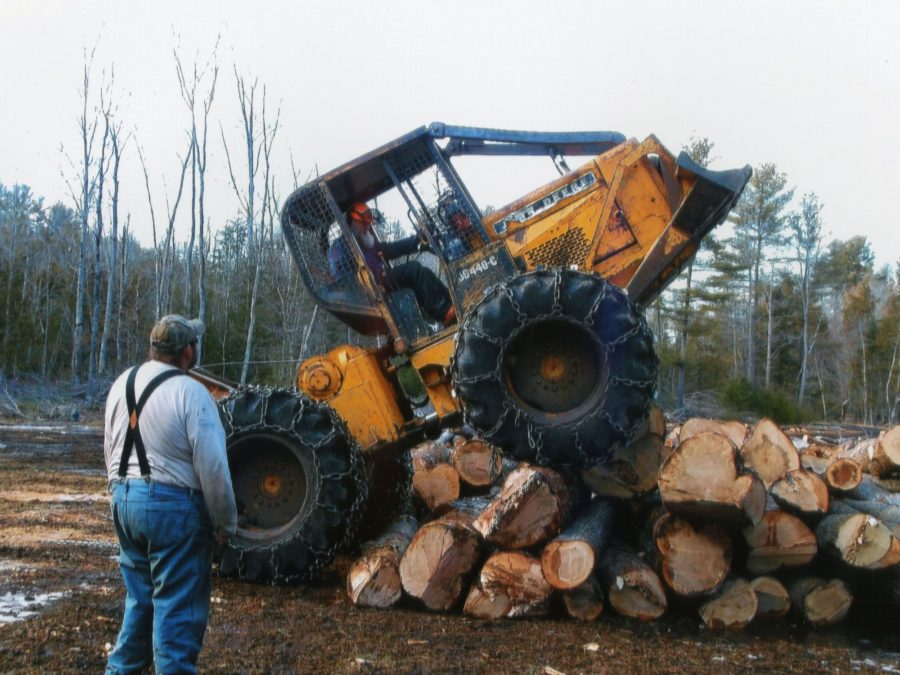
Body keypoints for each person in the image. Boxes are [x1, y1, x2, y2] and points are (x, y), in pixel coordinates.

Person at [104, 315, 237, 674]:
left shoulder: (122, 383)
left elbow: (110, 447)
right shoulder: (191, 392)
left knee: (141, 602)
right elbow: (212, 466)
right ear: (188, 351)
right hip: (172, 510)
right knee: (178, 612)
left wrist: (122, 496)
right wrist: (225, 523)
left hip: (123, 500)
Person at [329, 202, 455, 325]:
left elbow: (393, 248)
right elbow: (342, 278)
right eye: (364, 224)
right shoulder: (340, 247)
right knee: (413, 269)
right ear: (353, 223)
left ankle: (450, 305)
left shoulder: (368, 243)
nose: (368, 227)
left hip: (384, 280)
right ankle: (443, 311)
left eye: (368, 224)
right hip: (372, 290)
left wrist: (416, 238)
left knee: (424, 272)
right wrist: (365, 290)